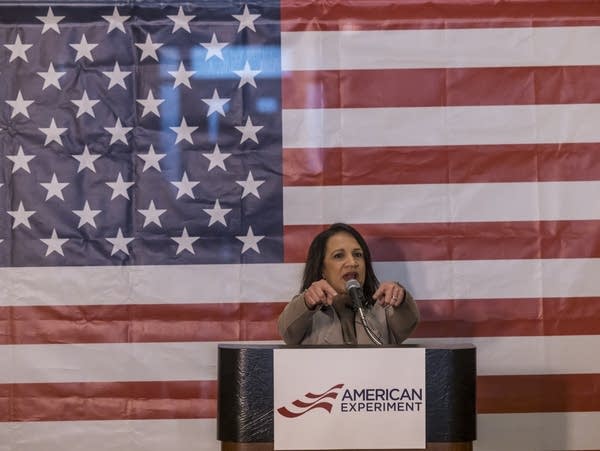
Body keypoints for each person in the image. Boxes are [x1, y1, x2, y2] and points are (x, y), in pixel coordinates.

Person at [278, 223, 419, 345]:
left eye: (358, 254)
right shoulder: (308, 317)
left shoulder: (382, 312)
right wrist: (307, 302)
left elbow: (408, 321)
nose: (352, 263)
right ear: (322, 269)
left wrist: (400, 298)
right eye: (339, 255)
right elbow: (286, 330)